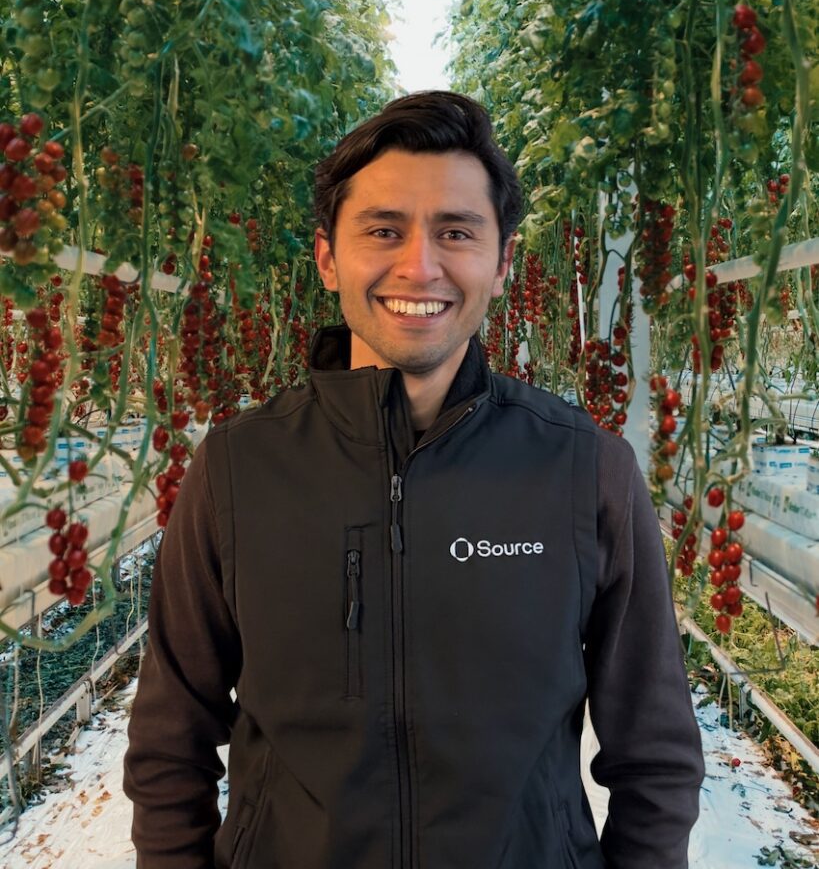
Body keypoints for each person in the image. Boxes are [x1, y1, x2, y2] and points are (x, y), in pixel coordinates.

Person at [123, 90, 705, 868]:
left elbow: (655, 752)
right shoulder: (237, 468)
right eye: (383, 230)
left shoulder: (584, 470)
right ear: (329, 257)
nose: (419, 266)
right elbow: (171, 739)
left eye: (455, 232)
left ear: (500, 262)